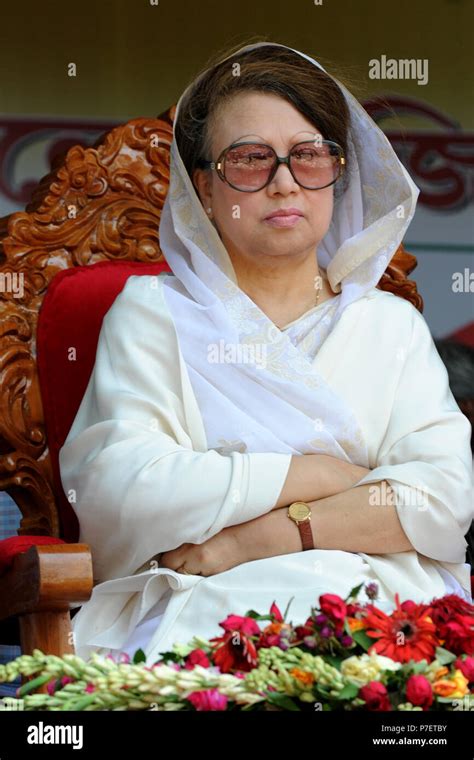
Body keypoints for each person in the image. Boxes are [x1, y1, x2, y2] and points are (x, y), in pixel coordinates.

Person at [58, 41, 474, 664]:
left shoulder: (388, 326)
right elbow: (121, 490)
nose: (284, 182)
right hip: (199, 601)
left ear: (338, 174)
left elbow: (440, 498)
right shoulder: (153, 314)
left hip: (380, 611)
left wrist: (254, 539)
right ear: (203, 187)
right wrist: (323, 476)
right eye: (250, 161)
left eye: (309, 156)